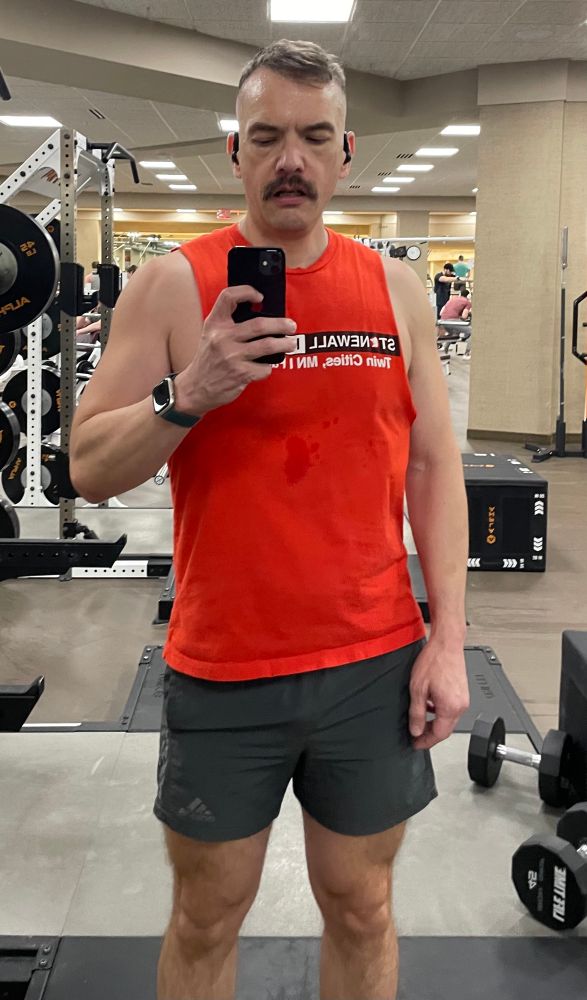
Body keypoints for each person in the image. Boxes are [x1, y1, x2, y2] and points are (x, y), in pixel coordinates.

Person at [70, 38, 469, 1000]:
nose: (290, 157)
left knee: (363, 905)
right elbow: (85, 471)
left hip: (371, 660)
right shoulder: (171, 285)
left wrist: (448, 639)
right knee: (207, 918)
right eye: (267, 136)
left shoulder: (398, 291)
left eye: (313, 136)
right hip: (224, 663)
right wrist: (190, 392)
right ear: (233, 153)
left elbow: (431, 467)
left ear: (344, 154)